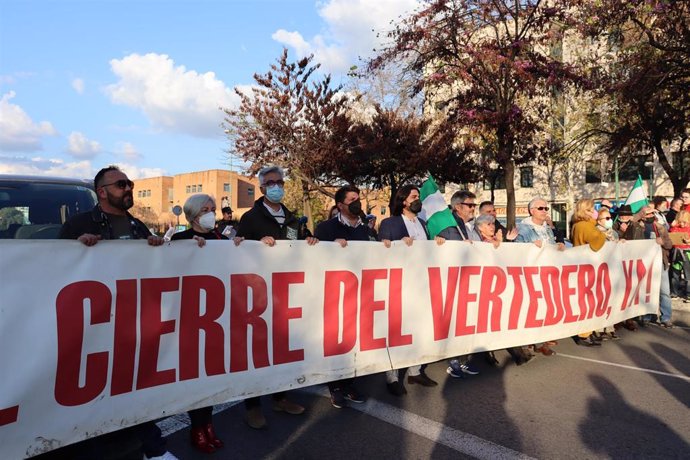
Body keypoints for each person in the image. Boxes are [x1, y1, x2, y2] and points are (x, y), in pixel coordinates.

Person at [59, 166, 176, 460]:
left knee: (136, 384)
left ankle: (153, 446)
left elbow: (153, 272)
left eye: (130, 183)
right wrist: (76, 250)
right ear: (102, 192)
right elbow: (55, 271)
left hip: (131, 324)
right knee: (92, 392)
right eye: (121, 184)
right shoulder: (78, 225)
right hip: (92, 327)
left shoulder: (138, 227)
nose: (128, 188)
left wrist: (155, 248)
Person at [234, 165, 315, 429]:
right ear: (261, 188)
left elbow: (299, 244)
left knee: (281, 348)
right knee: (256, 351)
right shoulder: (250, 218)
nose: (276, 186)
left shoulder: (292, 218)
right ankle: (253, 405)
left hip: (285, 295)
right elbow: (236, 251)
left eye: (280, 181)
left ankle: (280, 397)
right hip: (257, 295)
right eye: (270, 183)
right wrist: (256, 244)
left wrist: (311, 241)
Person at [170, 194, 226, 454]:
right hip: (191, 318)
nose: (211, 213)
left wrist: (240, 245)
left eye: (213, 209)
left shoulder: (222, 240)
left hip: (218, 318)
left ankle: (209, 423)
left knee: (212, 374)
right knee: (194, 375)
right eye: (205, 209)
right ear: (192, 215)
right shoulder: (180, 241)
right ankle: (197, 426)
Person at [378, 185, 444, 396]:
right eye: (414, 197)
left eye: (418, 197)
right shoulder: (390, 223)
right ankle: (392, 376)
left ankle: (415, 371)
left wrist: (437, 243)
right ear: (404, 201)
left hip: (421, 283)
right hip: (399, 284)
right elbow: (381, 251)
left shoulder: (423, 224)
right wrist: (397, 244)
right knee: (397, 331)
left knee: (418, 329)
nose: (418, 200)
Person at [314, 184, 369, 408]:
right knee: (335, 340)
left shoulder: (365, 228)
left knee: (354, 339)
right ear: (340, 205)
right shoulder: (326, 228)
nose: (357, 202)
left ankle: (349, 382)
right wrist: (330, 248)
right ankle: (334, 386)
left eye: (358, 198)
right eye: (352, 199)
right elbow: (316, 257)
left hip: (359, 293)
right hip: (333, 293)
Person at [515, 197, 564, 354]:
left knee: (544, 307)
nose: (545, 211)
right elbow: (514, 250)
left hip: (546, 274)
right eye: (541, 208)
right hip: (530, 275)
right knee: (530, 309)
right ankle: (525, 344)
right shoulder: (522, 228)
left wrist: (559, 245)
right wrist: (529, 246)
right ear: (531, 211)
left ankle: (541, 340)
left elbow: (550, 248)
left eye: (546, 208)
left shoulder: (547, 228)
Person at [571, 199, 607, 346]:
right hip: (586, 267)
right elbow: (597, 242)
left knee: (591, 302)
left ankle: (588, 332)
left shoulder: (584, 225)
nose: (593, 212)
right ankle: (584, 334)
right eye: (589, 210)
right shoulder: (584, 226)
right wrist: (604, 234)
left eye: (593, 209)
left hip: (588, 267)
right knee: (586, 303)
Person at [640, 205, 674, 328]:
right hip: (646, 264)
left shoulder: (660, 228)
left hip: (660, 263)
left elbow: (670, 244)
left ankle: (666, 318)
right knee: (648, 290)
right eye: (647, 214)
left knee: (664, 292)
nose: (650, 216)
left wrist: (663, 242)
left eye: (651, 214)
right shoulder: (639, 228)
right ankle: (647, 316)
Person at [669, 210, 690, 300]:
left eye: (684, 222)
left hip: (687, 252)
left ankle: (688, 293)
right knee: (675, 273)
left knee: (688, 274)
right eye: (680, 222)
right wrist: (672, 225)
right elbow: (671, 235)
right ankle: (674, 292)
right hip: (676, 252)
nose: (681, 224)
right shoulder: (676, 228)